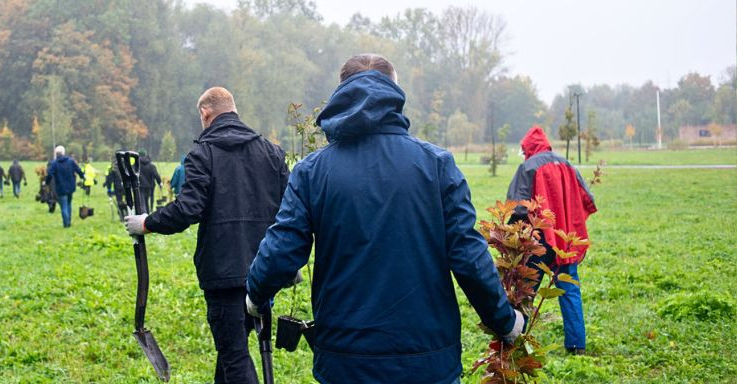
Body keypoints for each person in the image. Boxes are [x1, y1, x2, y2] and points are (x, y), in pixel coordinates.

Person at [244, 54, 522, 384]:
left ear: (341, 94)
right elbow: (468, 257)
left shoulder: (311, 172)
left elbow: (281, 251)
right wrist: (504, 321)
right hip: (427, 362)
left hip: (346, 362)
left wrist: (255, 296)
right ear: (395, 93)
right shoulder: (437, 165)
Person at [124, 87, 289, 384]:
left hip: (224, 272)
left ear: (205, 113)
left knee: (234, 354)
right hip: (265, 268)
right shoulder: (272, 151)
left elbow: (188, 209)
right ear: (234, 110)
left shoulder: (203, 153)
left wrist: (147, 222)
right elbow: (289, 208)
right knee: (231, 348)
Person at [506, 125, 597, 355]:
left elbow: (518, 207)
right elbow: (588, 199)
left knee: (525, 292)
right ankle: (577, 346)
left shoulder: (528, 167)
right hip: (566, 239)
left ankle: (514, 344)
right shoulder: (566, 164)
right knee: (569, 289)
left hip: (540, 241)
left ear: (528, 147)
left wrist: (511, 235)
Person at [46, 145, 86, 228]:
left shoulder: (54, 163)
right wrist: (83, 176)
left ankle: (66, 224)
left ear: (56, 153)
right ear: (63, 153)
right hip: (70, 186)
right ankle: (69, 221)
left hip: (60, 187)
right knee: (69, 203)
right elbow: (78, 169)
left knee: (63, 205)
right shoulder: (70, 161)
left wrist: (47, 182)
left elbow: (49, 174)